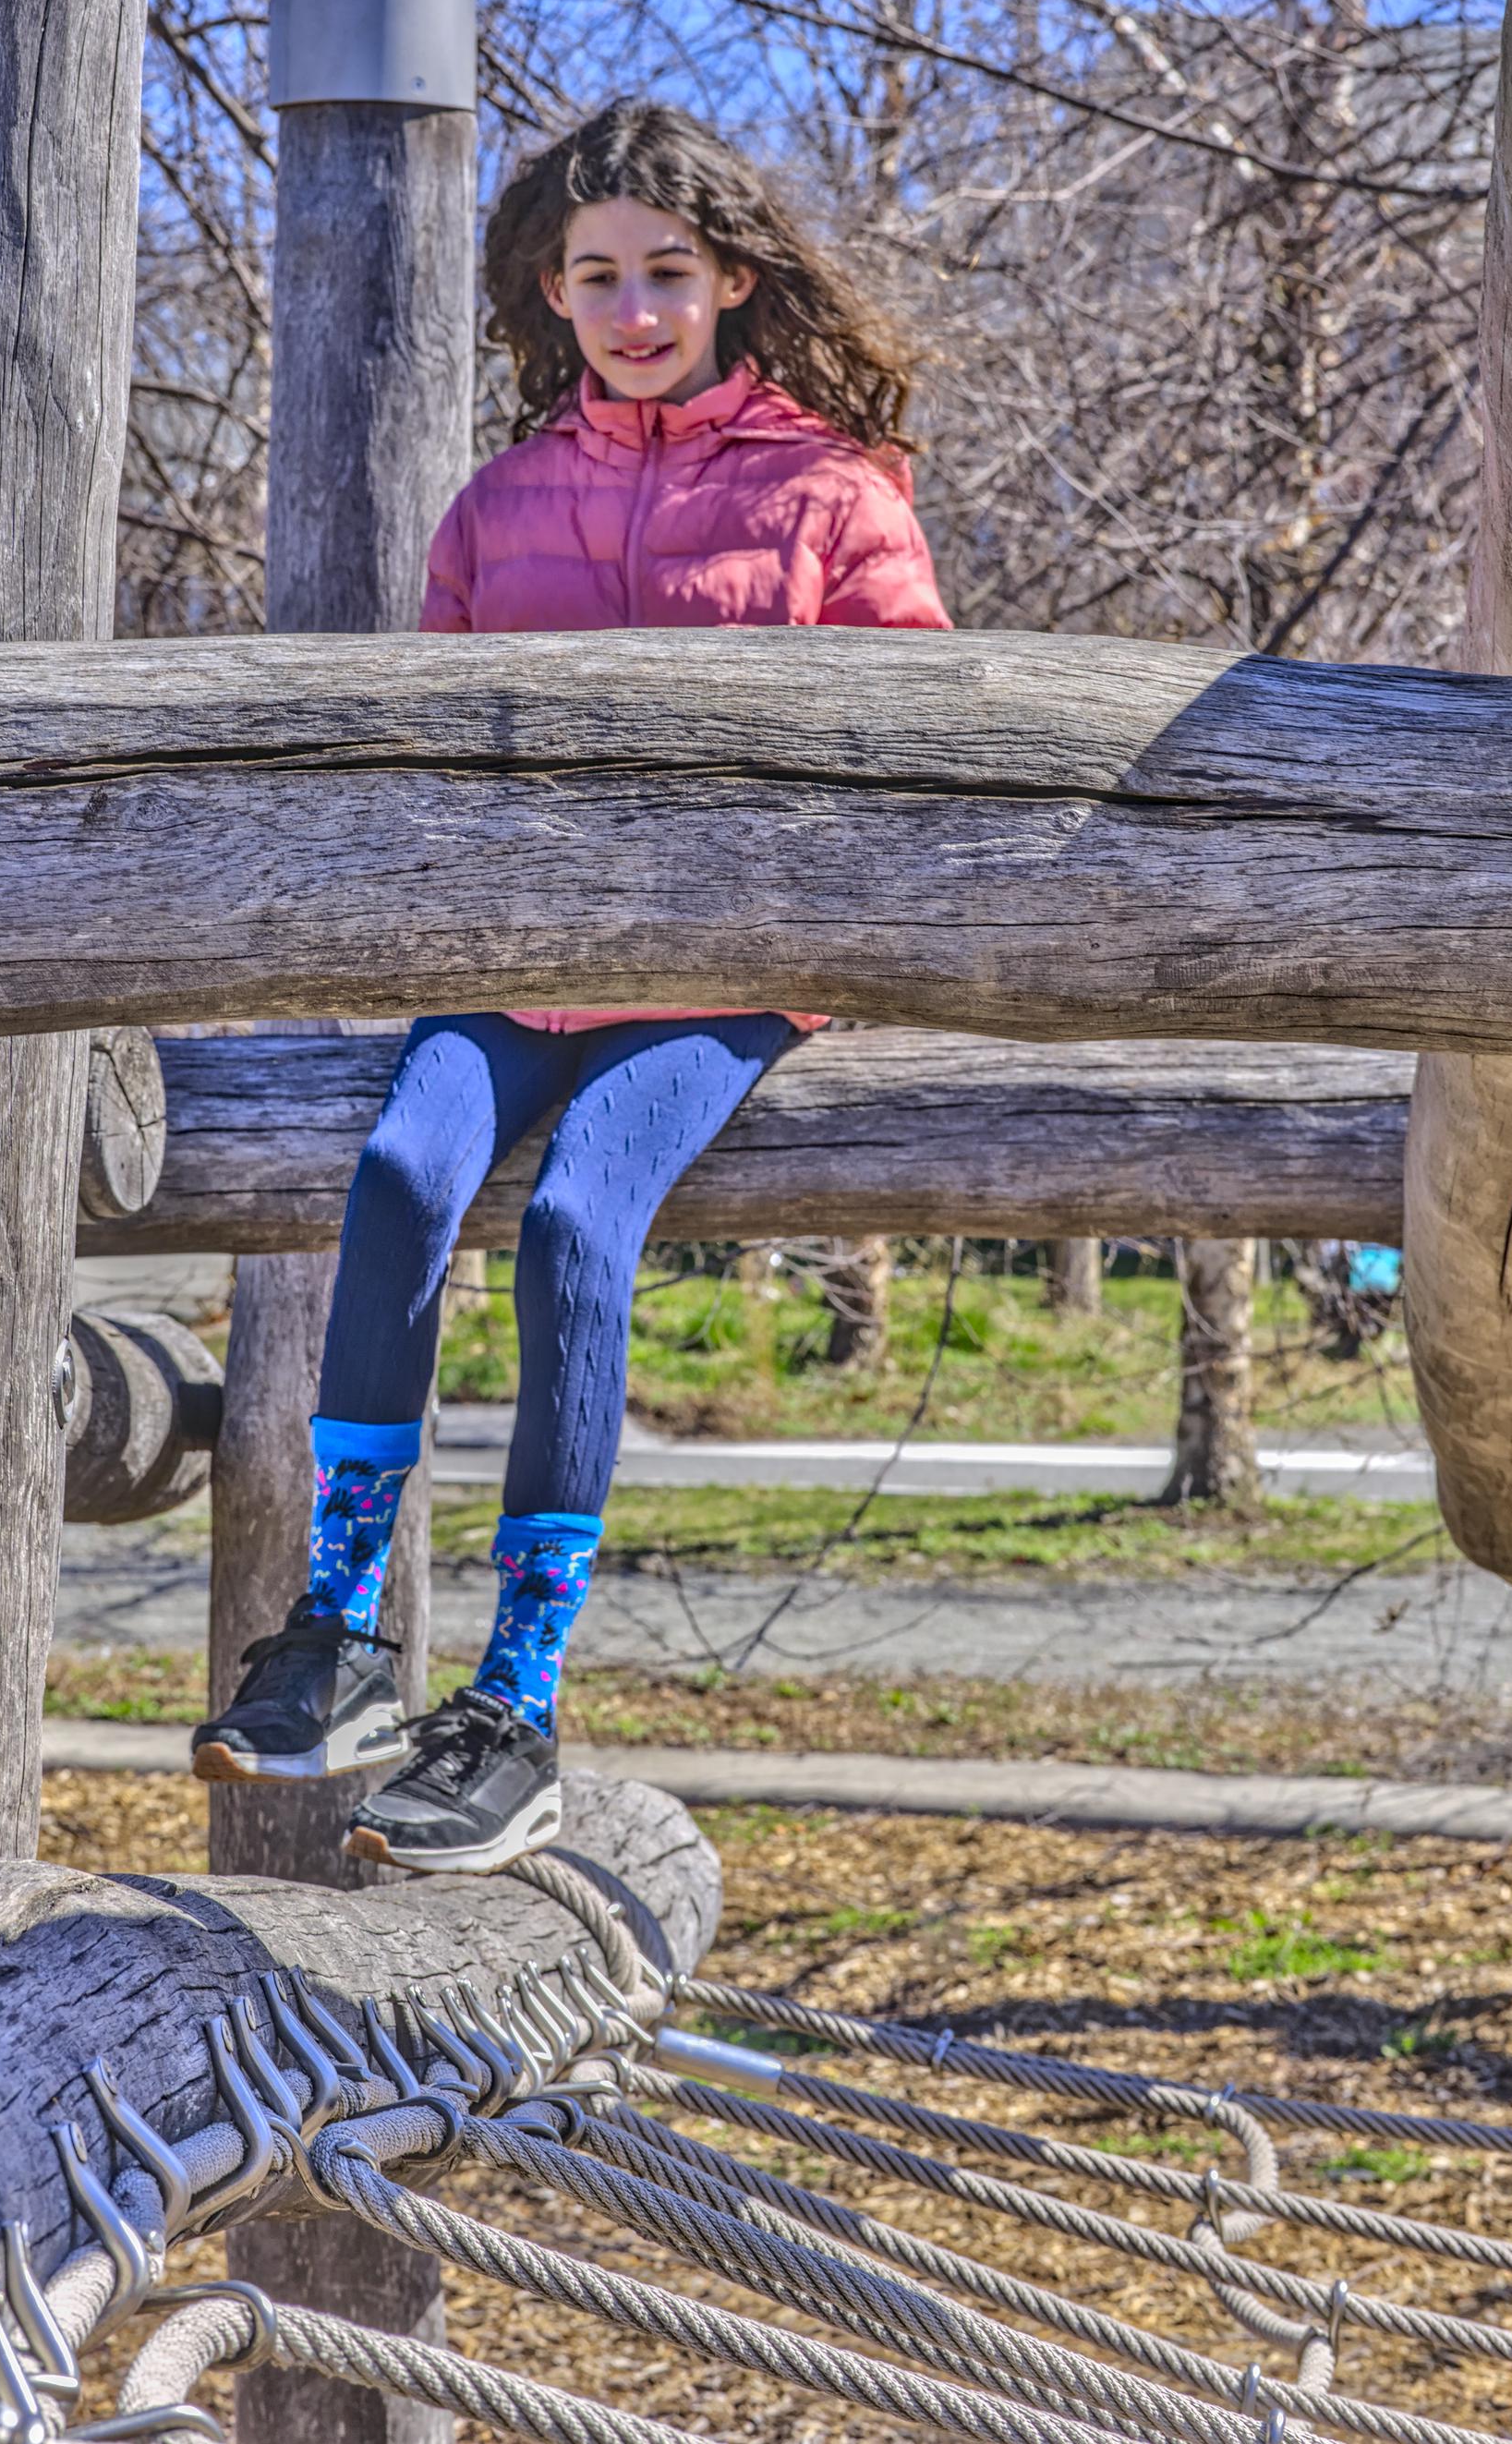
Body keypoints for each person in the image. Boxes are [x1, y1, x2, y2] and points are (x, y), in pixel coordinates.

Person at [193, 98, 950, 1871]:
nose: (633, 309)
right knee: (400, 1174)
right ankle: (339, 1636)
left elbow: (920, 751)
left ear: (733, 278)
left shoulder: (834, 494)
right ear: (552, 294)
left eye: (666, 272)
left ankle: (516, 1705)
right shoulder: (498, 504)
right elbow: (439, 761)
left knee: (572, 1223)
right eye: (594, 277)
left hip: (725, 974)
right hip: (514, 962)